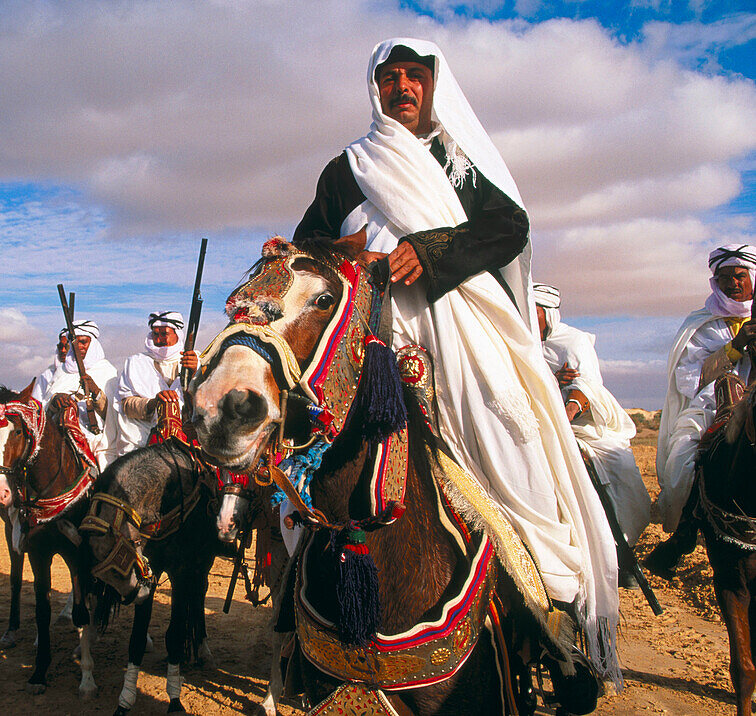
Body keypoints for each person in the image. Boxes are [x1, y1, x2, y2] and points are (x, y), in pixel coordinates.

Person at [292, 38, 619, 681]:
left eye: (415, 77)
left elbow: (510, 227)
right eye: (390, 78)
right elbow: (309, 245)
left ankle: (549, 607)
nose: (402, 88)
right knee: (317, 471)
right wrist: (353, 255)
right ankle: (302, 617)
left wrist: (431, 249)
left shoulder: (460, 160)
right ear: (375, 89)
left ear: (434, 87)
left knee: (517, 451)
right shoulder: (348, 168)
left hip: (461, 336)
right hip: (372, 348)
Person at [646, 245, 756, 578]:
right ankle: (685, 533)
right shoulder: (702, 325)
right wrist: (734, 349)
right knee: (684, 460)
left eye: (740, 276)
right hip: (714, 403)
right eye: (724, 278)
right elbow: (688, 377)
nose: (733, 283)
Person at [535, 283, 651, 586]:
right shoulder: (518, 341)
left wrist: (567, 412)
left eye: (532, 313)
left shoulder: (573, 342)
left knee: (620, 469)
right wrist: (549, 379)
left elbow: (585, 384)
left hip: (582, 423)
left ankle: (624, 553)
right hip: (534, 418)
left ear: (548, 314)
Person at [30, 320, 120, 469]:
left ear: (92, 343)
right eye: (75, 343)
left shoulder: (107, 371)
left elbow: (114, 414)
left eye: (83, 342)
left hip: (98, 440)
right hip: (62, 438)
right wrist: (55, 401)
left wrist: (96, 392)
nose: (79, 347)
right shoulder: (62, 371)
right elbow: (44, 408)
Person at [112, 311, 199, 455]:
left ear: (177, 334)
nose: (159, 339)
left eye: (164, 334)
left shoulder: (195, 360)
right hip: (142, 440)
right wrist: (154, 403)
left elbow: (209, 401)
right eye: (155, 334)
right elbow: (127, 406)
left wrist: (196, 372)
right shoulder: (135, 362)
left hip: (189, 439)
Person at [32, 333, 70, 404]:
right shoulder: (48, 375)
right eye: (60, 347)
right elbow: (37, 403)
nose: (63, 350)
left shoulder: (89, 373)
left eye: (67, 347)